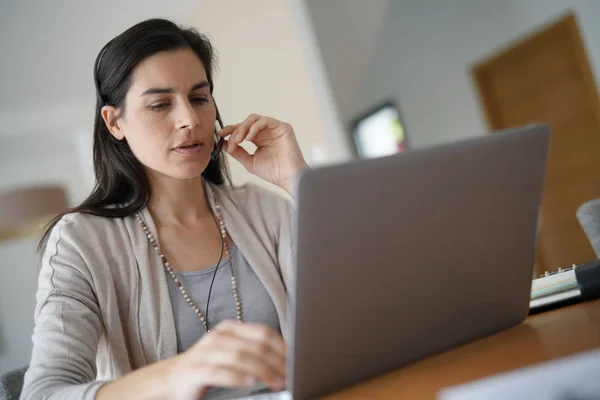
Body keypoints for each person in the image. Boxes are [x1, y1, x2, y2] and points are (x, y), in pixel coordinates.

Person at [21, 18, 308, 400]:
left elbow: (365, 313)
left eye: (200, 98)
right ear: (115, 122)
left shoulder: (267, 211)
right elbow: (43, 394)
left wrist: (298, 182)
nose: (189, 119)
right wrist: (178, 374)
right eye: (159, 104)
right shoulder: (80, 243)